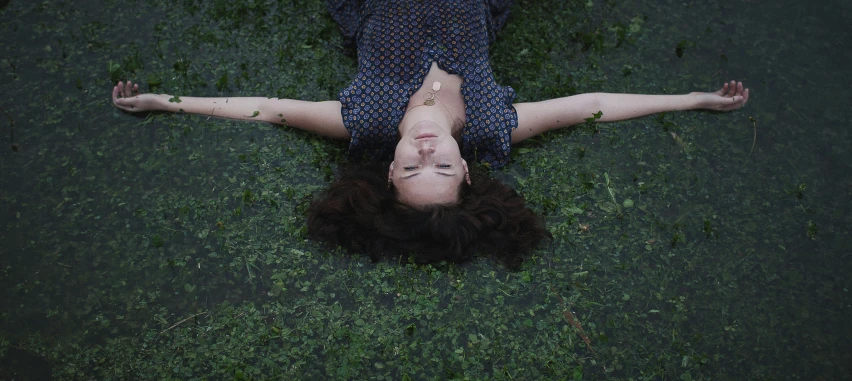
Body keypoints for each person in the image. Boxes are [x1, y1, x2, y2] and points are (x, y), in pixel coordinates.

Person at [112, 0, 749, 268]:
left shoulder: (362, 122)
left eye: (412, 171)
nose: (425, 155)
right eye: (440, 169)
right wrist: (695, 99)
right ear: (466, 170)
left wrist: (163, 103)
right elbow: (593, 105)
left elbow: (264, 108)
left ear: (386, 173)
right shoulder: (494, 128)